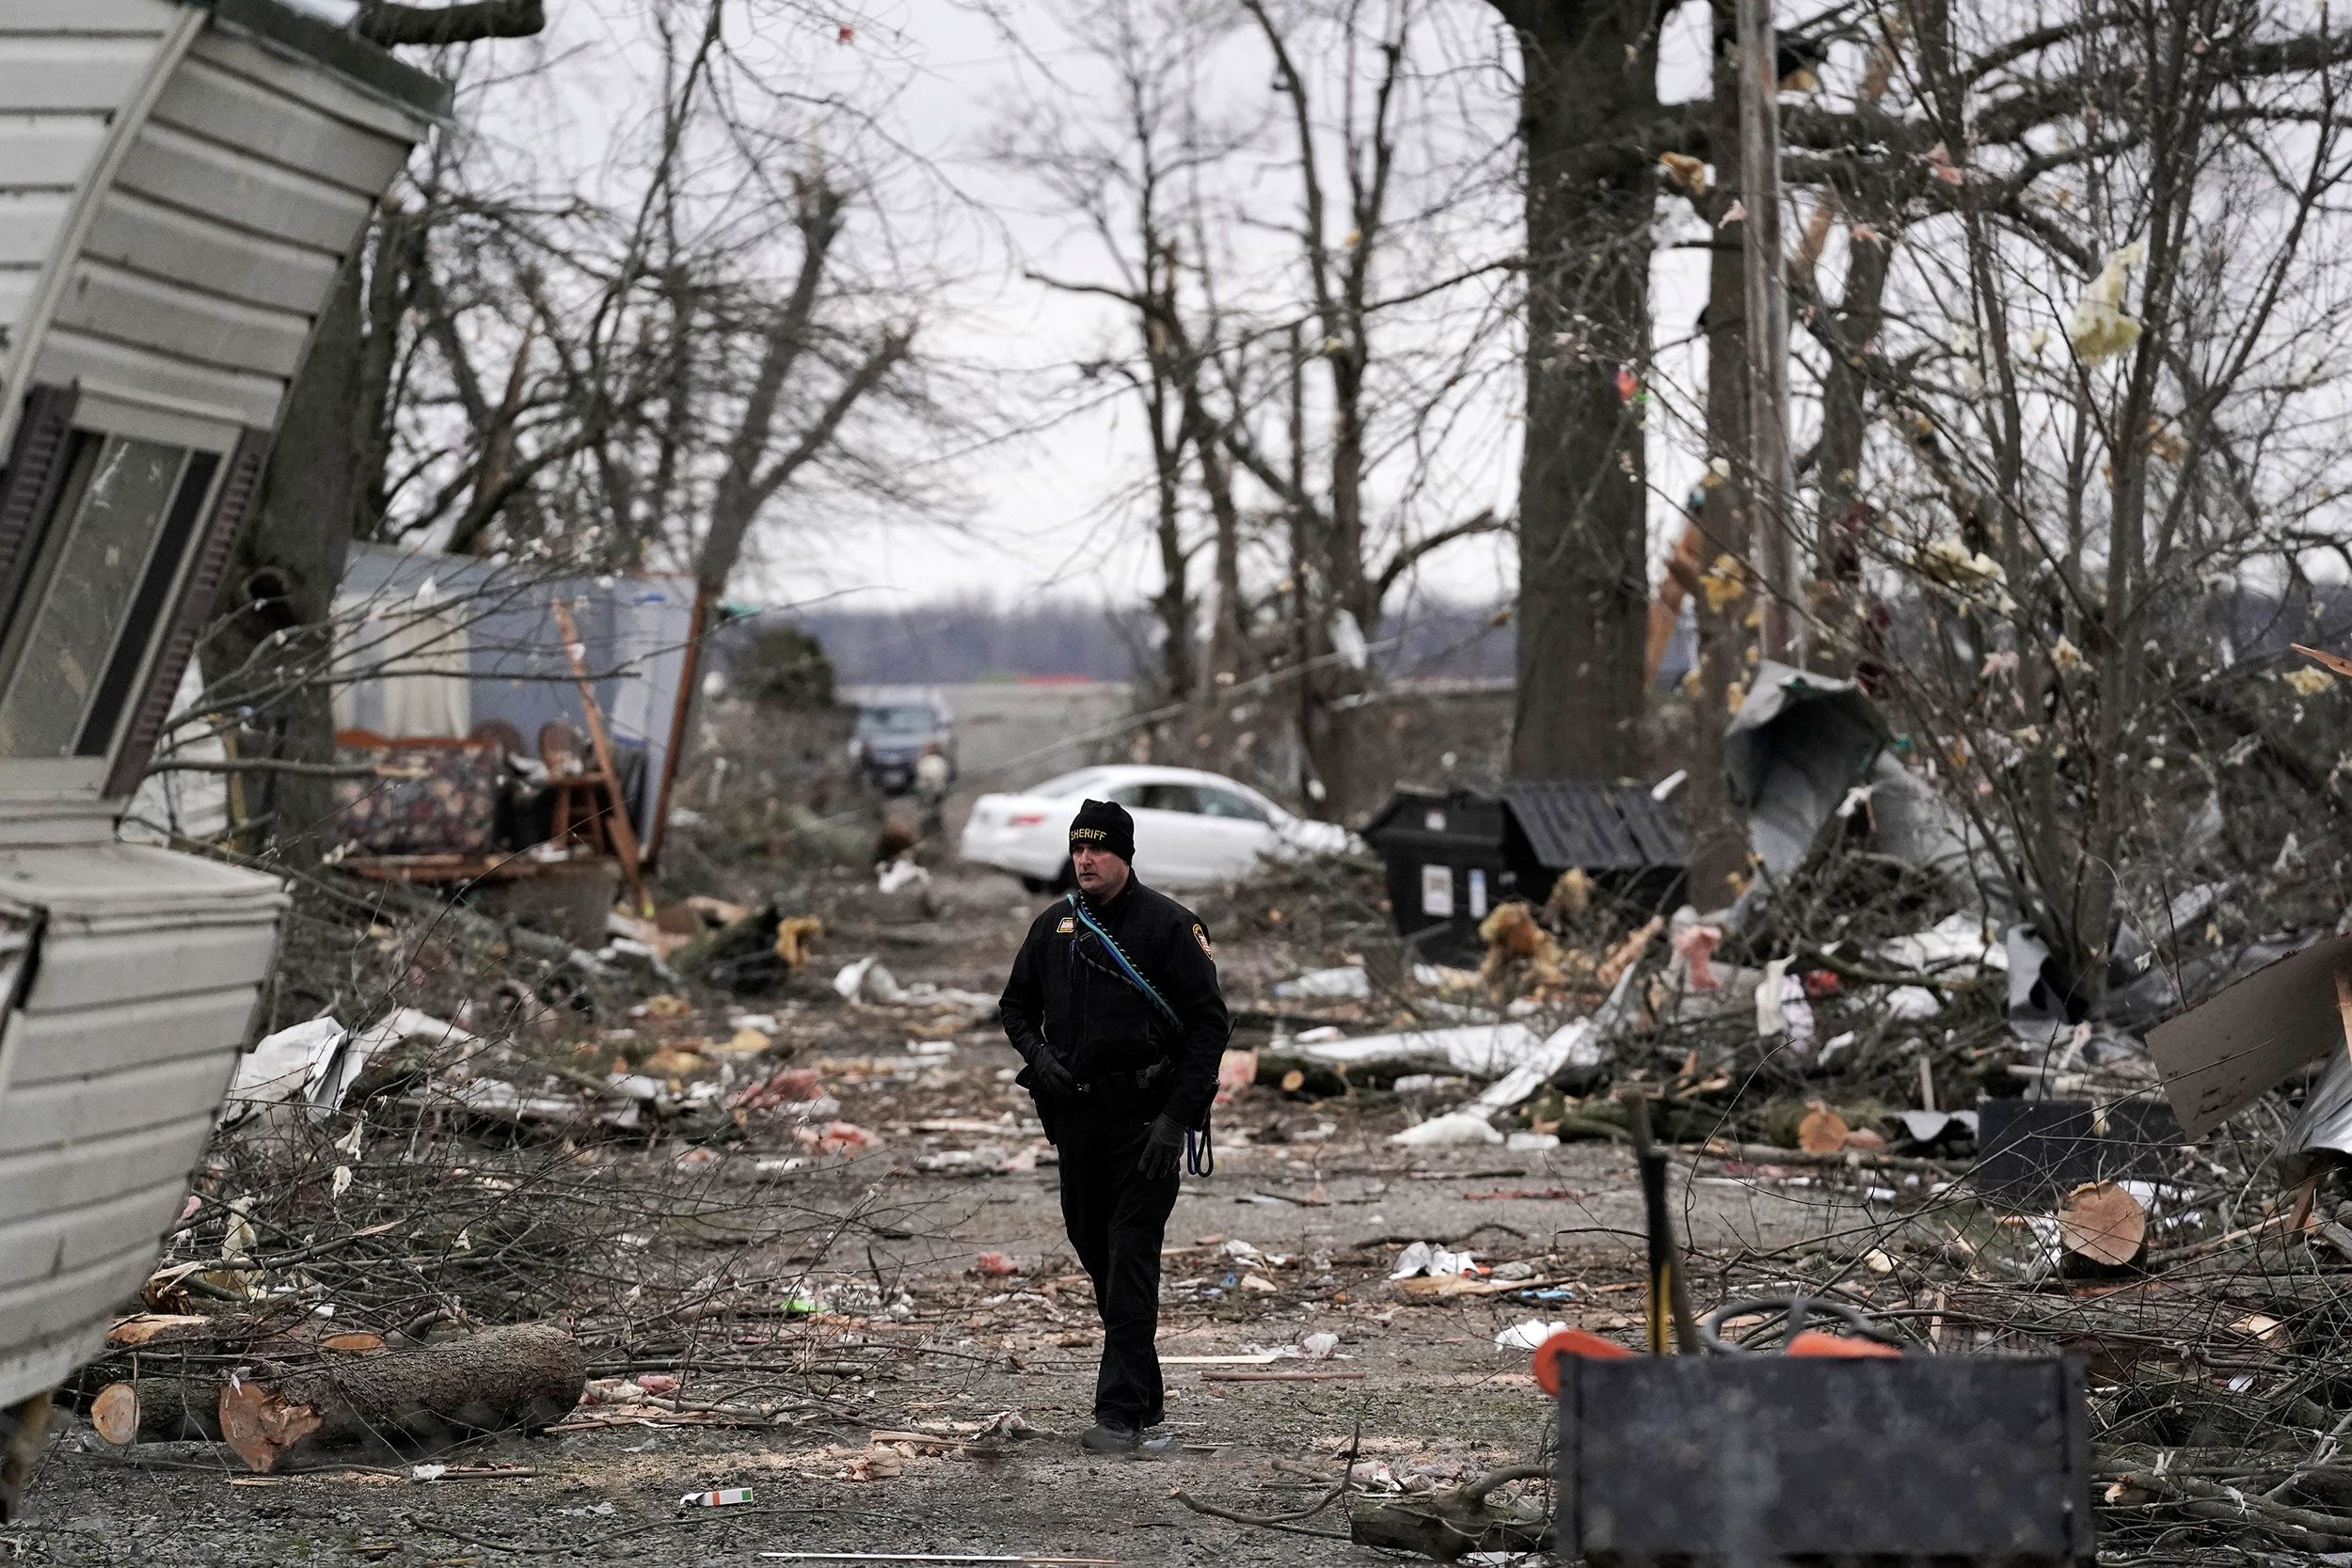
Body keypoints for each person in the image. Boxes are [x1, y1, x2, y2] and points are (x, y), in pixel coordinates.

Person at [998, 799, 1229, 1453]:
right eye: (1077, 848)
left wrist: (1175, 1119)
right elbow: (1016, 1006)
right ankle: (1145, 1391)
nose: (1085, 859)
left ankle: (1119, 1414)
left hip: (1147, 1124)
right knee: (1093, 1244)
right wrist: (1041, 1059)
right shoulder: (1055, 927)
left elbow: (1210, 1027)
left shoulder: (1169, 927)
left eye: (1098, 848)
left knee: (1130, 1254)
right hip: (1078, 1120)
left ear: (1125, 854)